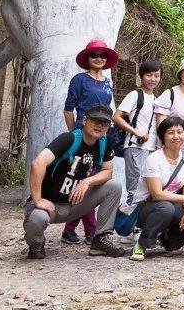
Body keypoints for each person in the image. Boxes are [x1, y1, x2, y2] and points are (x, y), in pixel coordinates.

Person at [23, 105, 126, 259]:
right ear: (85, 120)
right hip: (50, 206)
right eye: (95, 121)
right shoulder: (69, 139)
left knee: (114, 187)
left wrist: (87, 181)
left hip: (74, 203)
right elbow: (37, 164)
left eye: (104, 123)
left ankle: (101, 240)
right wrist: (38, 199)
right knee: (37, 219)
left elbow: (107, 172)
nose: (99, 126)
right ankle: (36, 244)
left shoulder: (104, 144)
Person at [61, 38, 118, 244]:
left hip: (101, 136)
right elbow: (69, 109)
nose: (99, 58)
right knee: (81, 178)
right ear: (87, 58)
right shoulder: (79, 80)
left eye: (103, 55)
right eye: (94, 55)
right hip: (82, 135)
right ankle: (91, 230)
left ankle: (71, 229)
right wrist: (74, 133)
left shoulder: (107, 82)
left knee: (92, 180)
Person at [129, 116, 184, 261]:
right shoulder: (154, 159)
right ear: (163, 136)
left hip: (168, 205)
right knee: (166, 208)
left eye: (179, 132)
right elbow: (156, 194)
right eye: (170, 132)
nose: (176, 136)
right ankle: (141, 242)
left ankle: (168, 240)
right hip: (145, 208)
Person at [113, 60, 163, 207]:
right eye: (149, 75)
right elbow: (116, 117)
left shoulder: (156, 99)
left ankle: (138, 224)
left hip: (152, 149)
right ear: (141, 76)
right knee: (135, 188)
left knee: (148, 187)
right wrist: (136, 132)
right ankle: (127, 224)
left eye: (156, 75)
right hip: (135, 146)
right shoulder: (135, 95)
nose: (153, 79)